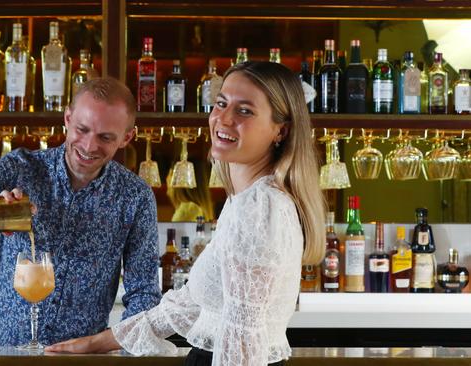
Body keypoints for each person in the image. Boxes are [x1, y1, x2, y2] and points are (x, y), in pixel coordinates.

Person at [45, 61, 326, 366]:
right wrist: (101, 341)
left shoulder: (259, 207)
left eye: (244, 111)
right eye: (221, 103)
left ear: (280, 130)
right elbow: (190, 303)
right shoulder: (245, 200)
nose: (224, 119)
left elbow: (243, 336)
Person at [0, 77, 161, 346]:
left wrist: (112, 349)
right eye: (82, 129)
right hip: (7, 353)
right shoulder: (22, 168)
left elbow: (144, 295)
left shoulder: (135, 196)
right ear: (67, 119)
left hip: (82, 358)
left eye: (105, 137)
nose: (89, 146)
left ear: (126, 137)